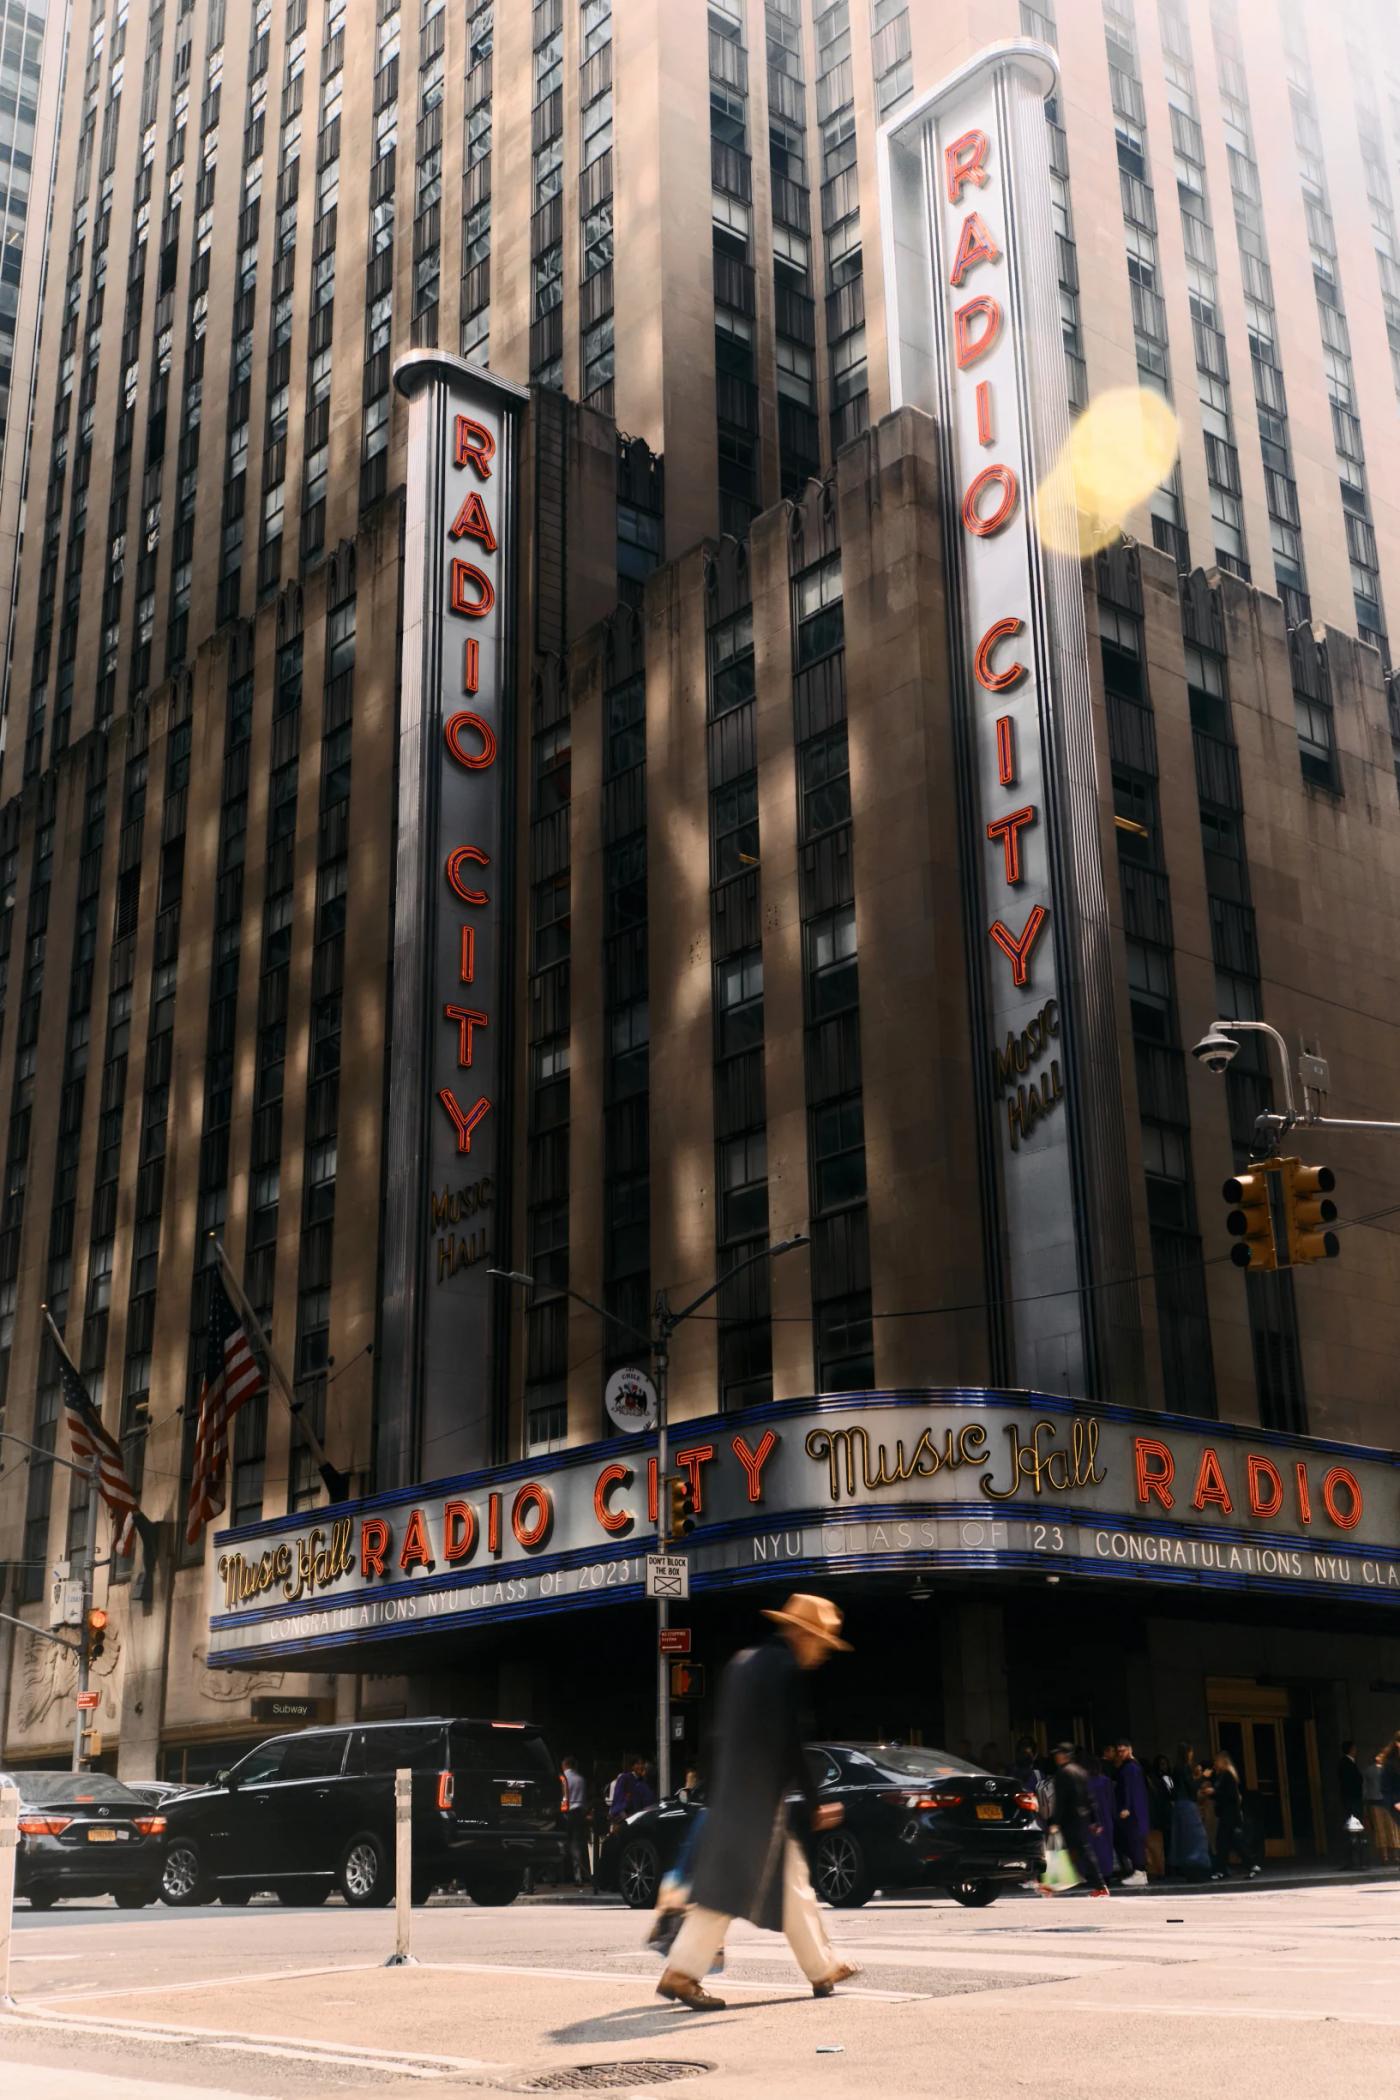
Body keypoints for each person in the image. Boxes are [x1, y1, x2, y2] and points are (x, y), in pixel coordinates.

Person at [657, 1593, 862, 2012]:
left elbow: (716, 1736)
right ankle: (682, 1971)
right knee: (728, 1889)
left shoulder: (743, 1663)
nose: (820, 1654)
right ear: (803, 1635)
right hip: (757, 1799)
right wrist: (815, 1800)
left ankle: (823, 1967)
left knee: (793, 1882)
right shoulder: (783, 1668)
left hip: (735, 1792)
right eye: (821, 1644)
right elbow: (790, 1739)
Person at [1044, 1743, 1108, 1897]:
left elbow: (1061, 1801)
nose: (1056, 1757)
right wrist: (1094, 1820)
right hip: (1082, 1817)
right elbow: (1090, 1798)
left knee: (1063, 1850)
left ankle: (1099, 1885)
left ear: (1066, 1755)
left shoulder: (1063, 1773)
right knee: (1076, 1850)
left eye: (1058, 1754)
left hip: (1069, 1819)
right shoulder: (1081, 1772)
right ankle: (1053, 1884)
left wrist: (1055, 1822)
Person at [1206, 1750, 1260, 1880]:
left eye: (1216, 1761)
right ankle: (1251, 1865)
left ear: (1222, 1761)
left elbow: (1229, 1795)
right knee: (1233, 1842)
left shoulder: (1227, 1775)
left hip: (1229, 1815)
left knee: (1222, 1842)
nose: (1214, 1764)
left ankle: (1221, 1870)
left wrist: (1213, 1792)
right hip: (1228, 1815)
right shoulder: (1223, 1775)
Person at [1169, 1742, 1211, 1880]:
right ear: (1188, 1753)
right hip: (1187, 1805)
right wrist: (1203, 1776)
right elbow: (1192, 1787)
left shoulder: (1176, 1768)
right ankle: (1197, 1870)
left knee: (1184, 1839)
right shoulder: (1185, 1767)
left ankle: (1187, 1870)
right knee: (1196, 1838)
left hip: (1179, 1805)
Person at [1114, 1740, 1150, 1887]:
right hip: (1136, 1810)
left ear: (1129, 1750)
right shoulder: (1134, 1766)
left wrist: (1126, 1807)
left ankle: (1139, 1872)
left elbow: (1129, 1789)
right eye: (1119, 1751)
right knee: (1133, 1840)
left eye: (1123, 1750)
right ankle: (1139, 1872)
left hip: (1132, 1811)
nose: (1121, 1754)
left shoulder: (1130, 1768)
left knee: (1133, 1840)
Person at [1083, 1753, 1117, 1886]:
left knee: (1092, 1848)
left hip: (1090, 1818)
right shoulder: (1105, 1781)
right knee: (1106, 1847)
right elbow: (1111, 1801)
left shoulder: (1084, 1782)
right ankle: (1107, 1874)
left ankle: (1092, 1875)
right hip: (1105, 1818)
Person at [1363, 1749, 1398, 1864]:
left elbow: (1365, 1789)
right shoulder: (1385, 1770)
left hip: (1376, 1802)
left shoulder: (1370, 1770)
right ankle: (1392, 1856)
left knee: (1383, 1829)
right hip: (1384, 1802)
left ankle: (1387, 1856)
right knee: (1391, 1828)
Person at [561, 1752, 591, 1886]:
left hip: (566, 1814)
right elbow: (584, 1799)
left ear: (565, 1765)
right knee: (577, 1845)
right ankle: (578, 1875)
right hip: (579, 1814)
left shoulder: (563, 1778)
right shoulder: (581, 1779)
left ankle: (560, 1875)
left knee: (562, 1843)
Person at [1145, 1754, 1174, 1879]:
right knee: (1166, 1841)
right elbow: (1171, 1793)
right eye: (1162, 1764)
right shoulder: (1163, 1779)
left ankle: (1164, 1868)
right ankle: (1165, 1868)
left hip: (1162, 1813)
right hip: (1164, 1812)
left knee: (1165, 1841)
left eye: (1165, 1763)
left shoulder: (1157, 1779)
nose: (1164, 1766)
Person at [608, 1754, 655, 1826]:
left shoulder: (644, 1781)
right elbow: (618, 1798)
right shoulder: (624, 1778)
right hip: (626, 1818)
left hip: (640, 1818)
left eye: (642, 1764)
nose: (640, 1766)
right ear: (632, 1766)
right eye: (637, 1764)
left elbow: (648, 1799)